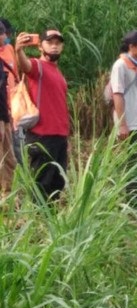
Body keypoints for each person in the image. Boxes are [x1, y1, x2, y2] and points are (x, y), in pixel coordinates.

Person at [15, 29, 70, 202]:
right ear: (40, 46)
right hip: (42, 135)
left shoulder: (58, 72)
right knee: (42, 183)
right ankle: (39, 222)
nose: (54, 46)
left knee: (57, 182)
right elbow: (25, 66)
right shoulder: (37, 66)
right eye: (50, 42)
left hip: (59, 135)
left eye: (58, 43)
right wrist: (18, 50)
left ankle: (50, 222)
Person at [109, 30, 137, 207]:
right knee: (134, 163)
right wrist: (122, 124)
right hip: (130, 124)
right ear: (131, 47)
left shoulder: (135, 65)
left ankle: (136, 199)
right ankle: (133, 202)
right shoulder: (120, 66)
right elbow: (117, 95)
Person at [0, 20, 18, 196]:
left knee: (10, 158)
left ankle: (9, 194)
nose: (4, 36)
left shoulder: (9, 51)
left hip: (7, 112)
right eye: (2, 33)